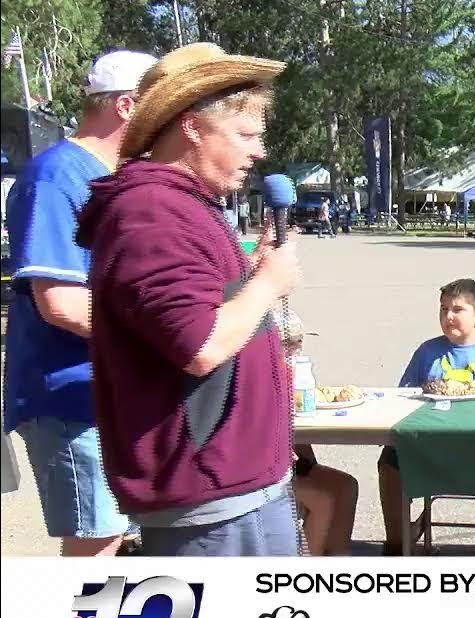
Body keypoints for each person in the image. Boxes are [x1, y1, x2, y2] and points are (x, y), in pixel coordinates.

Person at [78, 43, 300, 556]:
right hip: (209, 499)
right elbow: (199, 344)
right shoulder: (152, 210)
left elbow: (196, 312)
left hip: (234, 486)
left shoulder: (184, 205)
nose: (258, 151)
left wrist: (250, 274)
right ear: (193, 126)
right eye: (245, 134)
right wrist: (267, 282)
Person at [2, 50, 156, 557]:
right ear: (129, 106)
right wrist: (166, 335)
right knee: (96, 549)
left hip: (109, 396)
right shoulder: (56, 176)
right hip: (72, 402)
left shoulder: (111, 176)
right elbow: (63, 303)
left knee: (119, 545)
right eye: (164, 106)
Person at [377, 279, 475, 555]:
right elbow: (404, 394)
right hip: (430, 438)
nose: (448, 317)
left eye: (457, 309)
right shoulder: (428, 351)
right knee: (389, 459)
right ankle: (397, 539)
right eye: (443, 310)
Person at [272, 306, 358, 556]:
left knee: (346, 486)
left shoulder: (295, 374)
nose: (294, 349)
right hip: (256, 475)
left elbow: (296, 430)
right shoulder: (261, 374)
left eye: (298, 342)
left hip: (283, 466)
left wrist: (310, 464)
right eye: (286, 342)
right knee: (323, 498)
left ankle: (336, 563)